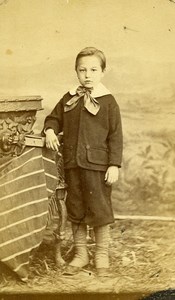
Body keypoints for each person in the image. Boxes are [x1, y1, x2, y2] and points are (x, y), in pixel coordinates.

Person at [43, 47, 123, 277]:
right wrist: (49, 130)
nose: (87, 75)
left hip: (98, 167)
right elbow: (53, 118)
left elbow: (116, 135)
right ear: (76, 72)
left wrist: (114, 164)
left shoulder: (108, 102)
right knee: (76, 208)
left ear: (103, 72)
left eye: (93, 70)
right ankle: (81, 254)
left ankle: (101, 255)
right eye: (82, 70)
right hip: (72, 165)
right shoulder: (69, 98)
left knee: (99, 209)